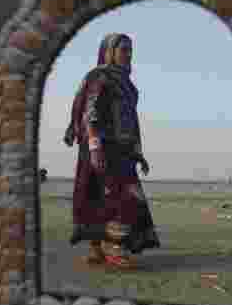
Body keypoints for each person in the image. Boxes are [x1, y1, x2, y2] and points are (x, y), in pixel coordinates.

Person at [64, 33, 160, 268]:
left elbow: (132, 121)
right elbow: (90, 110)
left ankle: (98, 248)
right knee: (114, 197)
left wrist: (138, 152)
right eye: (123, 49)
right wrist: (95, 146)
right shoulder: (100, 77)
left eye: (130, 49)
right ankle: (111, 247)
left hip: (122, 150)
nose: (128, 54)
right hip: (99, 145)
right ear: (109, 52)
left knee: (116, 196)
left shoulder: (129, 86)